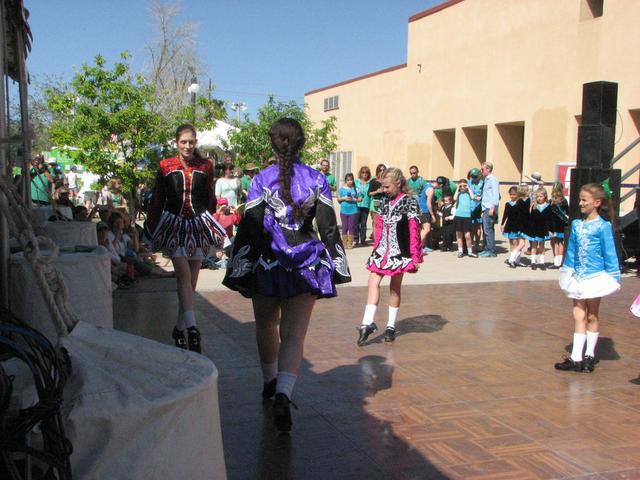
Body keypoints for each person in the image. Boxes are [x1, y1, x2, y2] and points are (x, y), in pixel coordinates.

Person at [222, 118, 351, 432]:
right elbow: (329, 227)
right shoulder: (317, 178)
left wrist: (239, 266)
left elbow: (250, 228)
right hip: (305, 264)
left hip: (267, 264)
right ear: (302, 144)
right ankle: (284, 393)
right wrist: (338, 264)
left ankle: (269, 383)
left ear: (273, 144)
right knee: (294, 336)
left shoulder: (260, 180)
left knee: (266, 325)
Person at [147, 123, 228, 353]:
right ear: (176, 143)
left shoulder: (206, 165)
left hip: (197, 225)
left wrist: (219, 209)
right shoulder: (165, 166)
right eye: (183, 142)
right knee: (182, 274)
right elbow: (158, 198)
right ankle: (193, 328)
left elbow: (209, 198)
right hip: (174, 225)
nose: (188, 146)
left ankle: (178, 327)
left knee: (192, 280)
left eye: (191, 142)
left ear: (196, 142)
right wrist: (152, 228)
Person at [555, 183, 620, 373]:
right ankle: (576, 357)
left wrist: (613, 275)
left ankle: (589, 355)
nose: (580, 203)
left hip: (595, 276)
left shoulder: (603, 226)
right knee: (578, 314)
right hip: (578, 276)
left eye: (584, 200)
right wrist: (567, 270)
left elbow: (609, 252)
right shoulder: (576, 225)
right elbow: (572, 251)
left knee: (592, 314)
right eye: (580, 199)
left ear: (597, 203)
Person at [357, 167, 422, 346]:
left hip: (399, 252)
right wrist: (375, 250)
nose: (383, 190)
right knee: (373, 281)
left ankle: (391, 326)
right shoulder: (384, 201)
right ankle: (367, 322)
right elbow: (378, 227)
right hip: (381, 250)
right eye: (382, 187)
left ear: (398, 183)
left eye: (386, 187)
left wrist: (415, 257)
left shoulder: (410, 202)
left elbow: (414, 230)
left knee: (394, 287)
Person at [524, 187, 552, 270]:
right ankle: (533, 262)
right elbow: (531, 219)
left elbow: (549, 219)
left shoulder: (548, 207)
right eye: (538, 196)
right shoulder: (534, 206)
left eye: (541, 196)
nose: (539, 198)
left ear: (545, 196)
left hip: (543, 229)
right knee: (534, 246)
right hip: (534, 229)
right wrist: (529, 229)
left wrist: (550, 229)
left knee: (542, 246)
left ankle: (542, 262)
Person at [407, 165, 432, 255]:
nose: (413, 175)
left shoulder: (422, 181)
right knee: (416, 226)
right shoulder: (408, 181)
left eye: (414, 173)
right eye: (411, 173)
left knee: (422, 227)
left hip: (420, 204)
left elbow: (426, 191)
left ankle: (422, 246)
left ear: (417, 172)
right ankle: (416, 245)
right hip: (411, 205)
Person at [501, 186, 528, 268]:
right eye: (511, 194)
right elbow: (505, 215)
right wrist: (502, 224)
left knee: (518, 243)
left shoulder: (519, 204)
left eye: (514, 194)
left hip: (518, 226)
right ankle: (512, 259)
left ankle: (516, 260)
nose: (512, 196)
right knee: (511, 243)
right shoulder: (508, 204)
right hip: (509, 226)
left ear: (518, 195)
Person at [452, 178, 478, 258]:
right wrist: (457, 188)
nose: (462, 187)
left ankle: (470, 252)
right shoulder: (458, 194)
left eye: (464, 186)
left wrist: (468, 187)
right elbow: (454, 198)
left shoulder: (468, 193)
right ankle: (460, 251)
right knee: (459, 234)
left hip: (467, 217)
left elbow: (473, 197)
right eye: (461, 186)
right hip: (458, 216)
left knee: (467, 235)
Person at [479, 162, 499, 257]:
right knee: (486, 229)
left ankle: (491, 250)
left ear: (488, 169)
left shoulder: (493, 180)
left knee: (488, 229)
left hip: (489, 207)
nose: (481, 171)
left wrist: (492, 208)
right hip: (485, 208)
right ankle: (487, 248)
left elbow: (495, 195)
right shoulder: (486, 180)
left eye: (482, 169)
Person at [337, 173, 361, 249]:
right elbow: (338, 199)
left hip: (353, 210)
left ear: (353, 180)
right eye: (348, 180)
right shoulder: (341, 189)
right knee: (344, 227)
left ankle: (350, 243)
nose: (350, 181)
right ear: (345, 181)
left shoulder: (356, 189)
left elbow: (360, 199)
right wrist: (344, 198)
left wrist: (354, 199)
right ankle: (344, 243)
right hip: (344, 211)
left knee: (351, 227)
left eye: (351, 180)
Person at [549, 181, 569, 269]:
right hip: (562, 224)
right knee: (561, 242)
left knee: (554, 242)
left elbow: (548, 215)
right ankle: (560, 263)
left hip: (553, 225)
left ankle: (556, 262)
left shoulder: (551, 202)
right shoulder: (564, 201)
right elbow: (568, 212)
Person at [368, 164, 387, 240]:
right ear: (377, 171)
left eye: (383, 170)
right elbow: (369, 193)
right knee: (375, 222)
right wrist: (377, 191)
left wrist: (386, 190)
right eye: (380, 170)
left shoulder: (387, 181)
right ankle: (376, 240)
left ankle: (383, 239)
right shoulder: (373, 181)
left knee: (384, 222)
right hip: (376, 201)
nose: (382, 172)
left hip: (385, 202)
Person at [354, 166, 371, 247]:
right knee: (356, 223)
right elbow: (352, 190)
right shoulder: (356, 182)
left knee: (363, 223)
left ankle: (363, 240)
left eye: (366, 172)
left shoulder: (370, 182)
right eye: (363, 172)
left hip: (366, 205)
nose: (364, 174)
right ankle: (356, 239)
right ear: (360, 173)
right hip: (357, 204)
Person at [468, 168, 484, 253]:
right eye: (472, 176)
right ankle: (470, 244)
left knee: (477, 226)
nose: (473, 178)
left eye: (475, 176)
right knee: (470, 227)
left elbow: (484, 194)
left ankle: (477, 244)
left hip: (478, 207)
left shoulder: (482, 183)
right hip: (470, 207)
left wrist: (480, 198)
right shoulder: (469, 182)